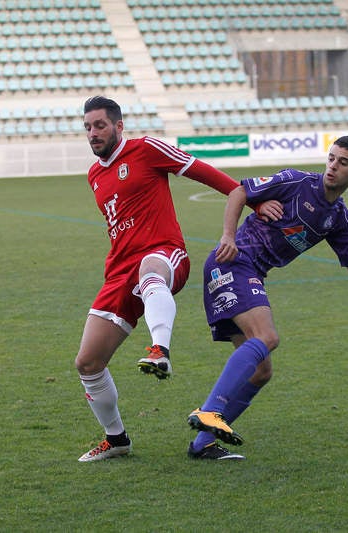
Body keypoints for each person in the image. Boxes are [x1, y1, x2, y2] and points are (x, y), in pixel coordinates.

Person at [186, 136, 348, 460]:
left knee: (261, 372)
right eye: (331, 158)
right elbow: (240, 190)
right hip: (234, 262)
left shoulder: (337, 217)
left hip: (249, 272)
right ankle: (210, 411)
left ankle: (202, 444)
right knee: (267, 337)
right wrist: (228, 235)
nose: (333, 166)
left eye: (343, 162)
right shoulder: (296, 181)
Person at [75, 96, 254, 462]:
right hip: (119, 271)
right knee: (88, 362)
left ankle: (160, 349)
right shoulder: (94, 175)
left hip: (164, 253)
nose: (93, 133)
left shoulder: (147, 149)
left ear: (118, 126)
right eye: (88, 127)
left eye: (100, 125)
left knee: (150, 272)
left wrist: (252, 200)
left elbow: (212, 177)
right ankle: (117, 439)